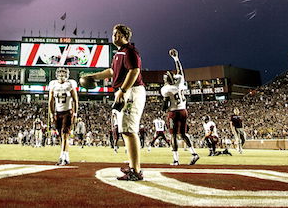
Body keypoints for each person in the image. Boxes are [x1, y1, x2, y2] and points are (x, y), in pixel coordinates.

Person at [81, 23, 146, 182]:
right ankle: (133, 166)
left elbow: (134, 71)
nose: (113, 36)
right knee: (125, 130)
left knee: (129, 131)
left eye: (116, 34)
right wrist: (94, 76)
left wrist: (123, 90)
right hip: (126, 91)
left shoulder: (130, 51)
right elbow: (112, 72)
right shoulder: (120, 53)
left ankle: (135, 170)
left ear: (123, 36)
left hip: (132, 91)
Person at [160, 48, 199, 165]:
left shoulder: (165, 89)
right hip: (183, 110)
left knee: (173, 135)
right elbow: (180, 71)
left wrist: (163, 110)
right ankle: (194, 153)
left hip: (174, 112)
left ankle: (176, 160)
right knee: (182, 134)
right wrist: (176, 59)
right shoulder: (179, 82)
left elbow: (165, 104)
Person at [48, 67, 78, 165]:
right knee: (61, 136)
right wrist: (52, 114)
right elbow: (50, 101)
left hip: (67, 112)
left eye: (63, 73)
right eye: (60, 73)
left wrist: (75, 113)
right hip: (58, 112)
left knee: (65, 134)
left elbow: (75, 100)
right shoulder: (53, 84)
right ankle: (66, 156)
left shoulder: (70, 84)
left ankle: (62, 157)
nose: (61, 75)